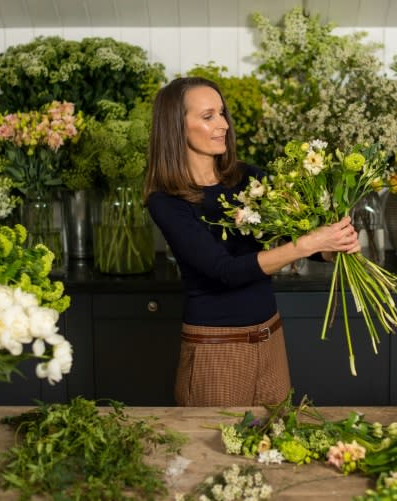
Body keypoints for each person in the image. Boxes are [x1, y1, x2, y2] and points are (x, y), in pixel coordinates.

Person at [144, 77, 360, 407]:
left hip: (270, 336)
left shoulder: (249, 178)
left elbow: (291, 233)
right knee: (213, 454)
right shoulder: (167, 200)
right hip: (216, 348)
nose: (224, 125)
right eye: (208, 116)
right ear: (176, 126)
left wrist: (332, 246)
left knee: (277, 450)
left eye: (222, 114)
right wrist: (305, 245)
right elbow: (224, 270)